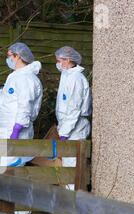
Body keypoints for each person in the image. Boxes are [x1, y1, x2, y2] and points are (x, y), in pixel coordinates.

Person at [0, 42, 43, 167]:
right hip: (9, 130)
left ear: (18, 56)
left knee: (10, 170)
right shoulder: (16, 76)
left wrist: (17, 129)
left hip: (17, 130)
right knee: (8, 167)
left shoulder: (26, 78)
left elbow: (25, 105)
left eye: (10, 55)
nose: (8, 59)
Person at [55, 46, 92, 190]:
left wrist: (64, 133)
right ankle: (69, 200)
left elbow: (74, 109)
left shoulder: (76, 78)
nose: (58, 64)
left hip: (75, 128)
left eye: (60, 61)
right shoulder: (68, 76)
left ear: (68, 60)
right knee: (67, 164)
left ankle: (73, 202)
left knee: (72, 166)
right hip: (68, 127)